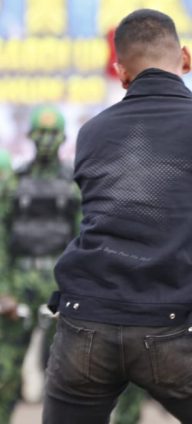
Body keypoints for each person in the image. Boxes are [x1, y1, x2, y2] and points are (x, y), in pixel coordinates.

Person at [41, 9, 192, 423]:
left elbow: (120, 214)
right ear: (185, 58)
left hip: (85, 321)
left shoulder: (92, 133)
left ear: (121, 72)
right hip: (170, 329)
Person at [0, 105, 80, 424]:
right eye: (41, 132)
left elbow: (83, 241)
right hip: (17, 284)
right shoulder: (12, 183)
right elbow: (1, 239)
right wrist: (3, 290)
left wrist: (74, 291)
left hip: (58, 285)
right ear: (30, 135)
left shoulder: (74, 185)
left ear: (62, 137)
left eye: (52, 133)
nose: (46, 139)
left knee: (68, 374)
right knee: (4, 371)